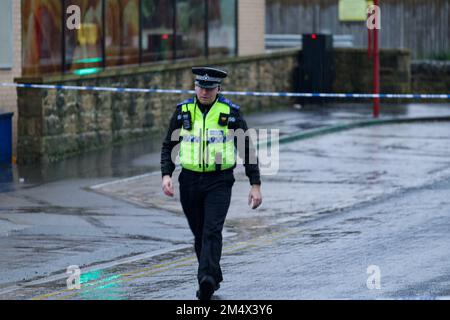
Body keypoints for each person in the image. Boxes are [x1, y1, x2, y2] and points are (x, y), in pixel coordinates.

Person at [160, 67, 263, 300]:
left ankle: (205, 280)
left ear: (219, 88)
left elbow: (246, 149)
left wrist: (255, 184)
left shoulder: (230, 113)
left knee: (211, 230)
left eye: (209, 88)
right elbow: (169, 146)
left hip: (219, 181)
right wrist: (166, 174)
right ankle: (212, 276)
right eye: (200, 87)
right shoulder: (182, 111)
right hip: (189, 181)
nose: (204, 92)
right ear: (195, 87)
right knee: (199, 234)